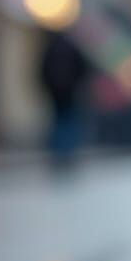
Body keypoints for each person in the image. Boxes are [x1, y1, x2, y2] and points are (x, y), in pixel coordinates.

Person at [39, 29, 91, 169]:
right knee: (69, 121)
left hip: (56, 94)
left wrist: (49, 88)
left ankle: (59, 153)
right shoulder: (73, 48)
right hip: (70, 93)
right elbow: (83, 69)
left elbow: (42, 71)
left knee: (59, 121)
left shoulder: (50, 49)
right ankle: (68, 152)